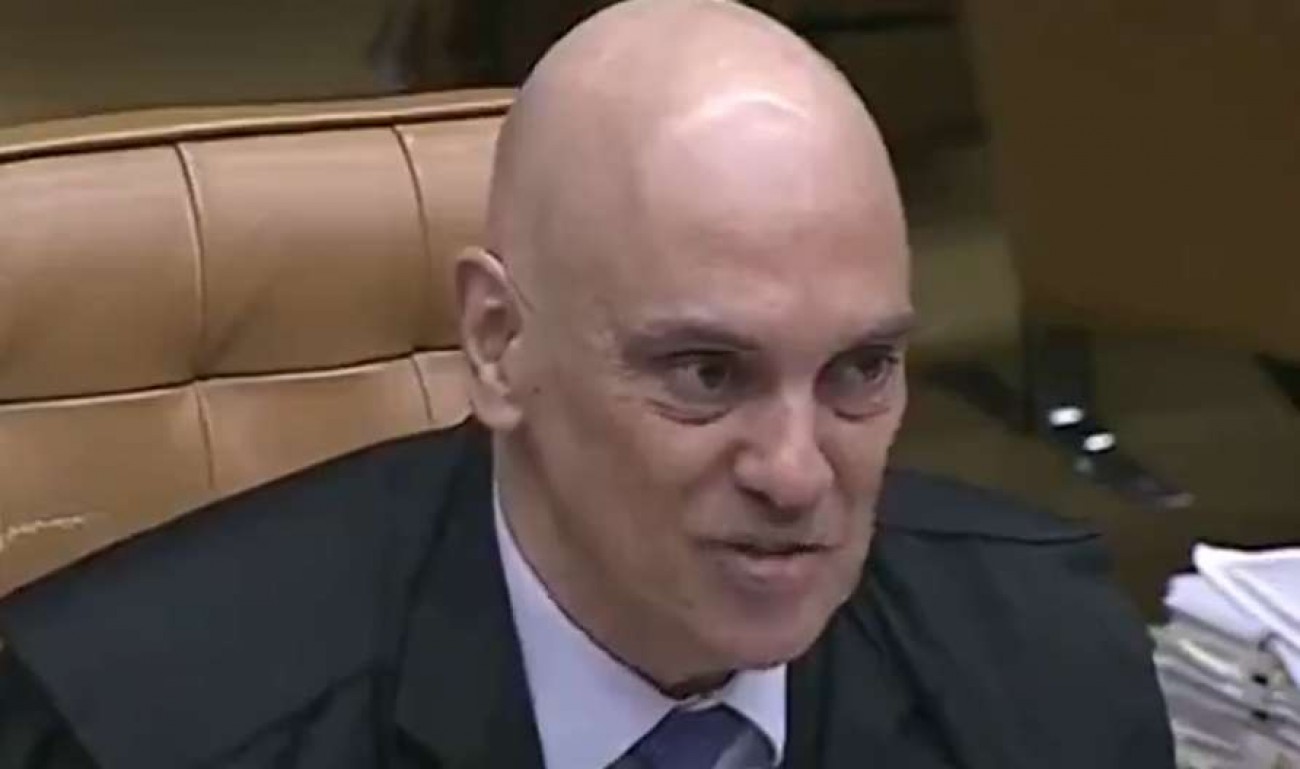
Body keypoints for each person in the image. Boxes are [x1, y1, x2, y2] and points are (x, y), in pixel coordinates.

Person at [0, 1, 1174, 767]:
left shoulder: (1043, 653)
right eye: (706, 373)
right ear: (499, 344)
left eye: (858, 371)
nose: (794, 473)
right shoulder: (128, 730)